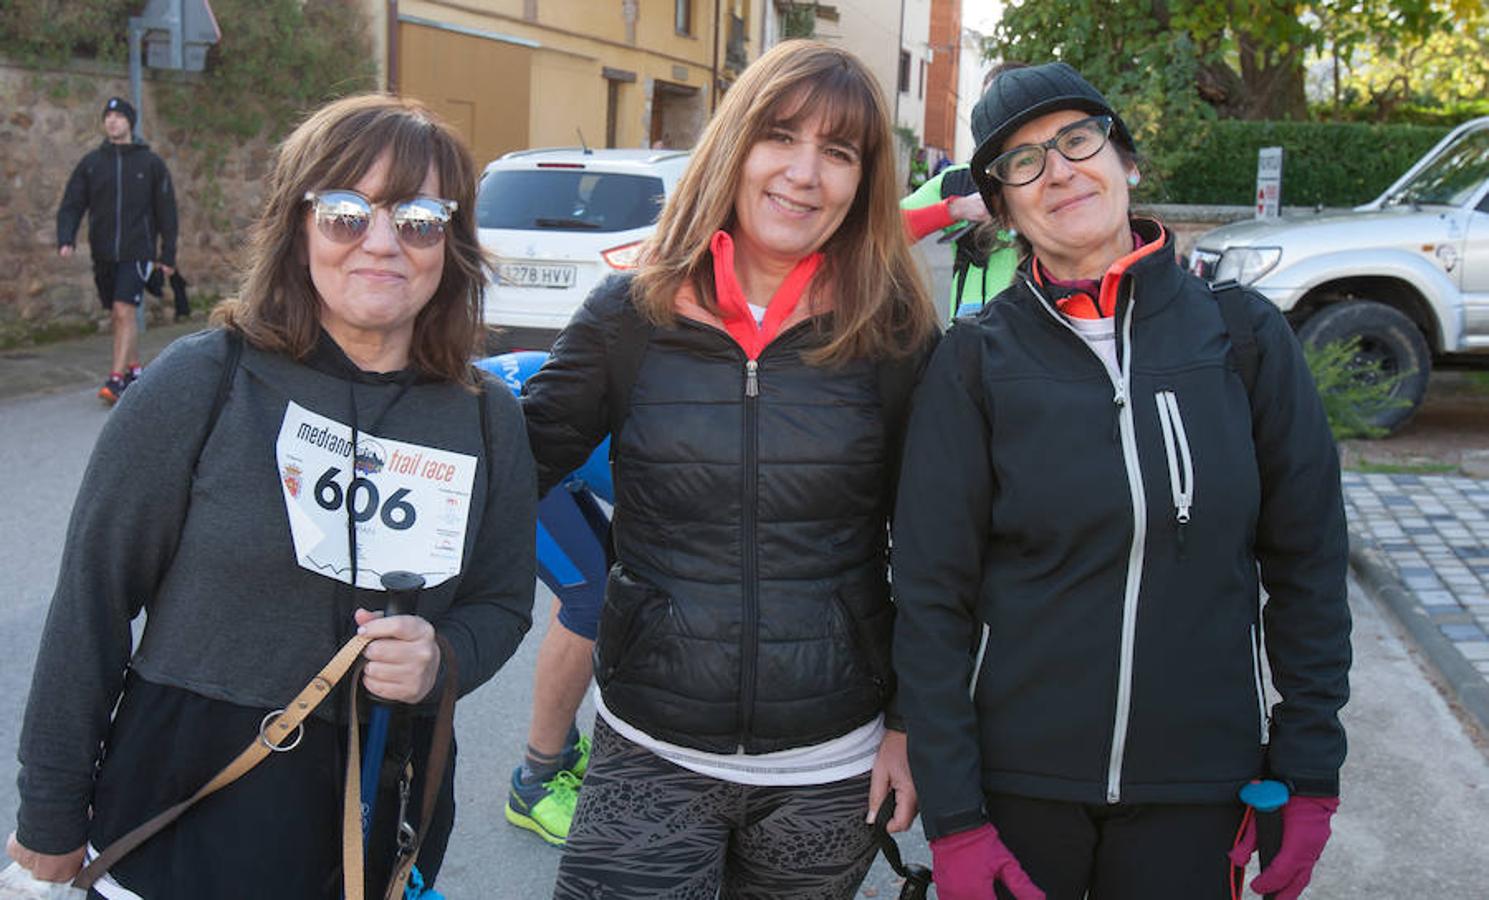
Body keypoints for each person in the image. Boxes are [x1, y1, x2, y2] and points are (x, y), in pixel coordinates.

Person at [8, 93, 537, 898]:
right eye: (347, 214)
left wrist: (443, 657)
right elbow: (91, 603)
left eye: (419, 218)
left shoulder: (484, 416)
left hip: (377, 820)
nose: (383, 244)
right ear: (299, 228)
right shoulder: (205, 381)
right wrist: (47, 820)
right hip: (180, 815)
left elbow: (501, 601)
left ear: (450, 242)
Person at [891, 61, 1351, 900]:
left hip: (1198, 788)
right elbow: (930, 597)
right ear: (1000, 208)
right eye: (1021, 161)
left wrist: (1308, 768)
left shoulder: (1241, 336)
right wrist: (955, 817)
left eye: (1076, 139)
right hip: (1020, 788)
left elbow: (1308, 563)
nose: (1059, 170)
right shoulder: (973, 361)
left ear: (1124, 160)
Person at [524, 39, 939, 898]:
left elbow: (941, 549)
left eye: (838, 152)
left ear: (864, 180)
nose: (803, 173)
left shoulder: (892, 333)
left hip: (831, 771)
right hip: (650, 753)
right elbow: (504, 469)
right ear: (735, 145)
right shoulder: (628, 315)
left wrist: (910, 724)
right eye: (780, 136)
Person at [56, 97, 179, 404]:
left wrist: (168, 255)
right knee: (118, 314)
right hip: (104, 252)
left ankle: (115, 379)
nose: (112, 121)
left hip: (137, 251)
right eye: (108, 116)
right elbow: (72, 202)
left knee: (125, 310)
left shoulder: (150, 164)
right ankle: (134, 367)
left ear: (129, 122)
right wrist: (66, 238)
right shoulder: (92, 163)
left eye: (118, 116)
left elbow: (167, 212)